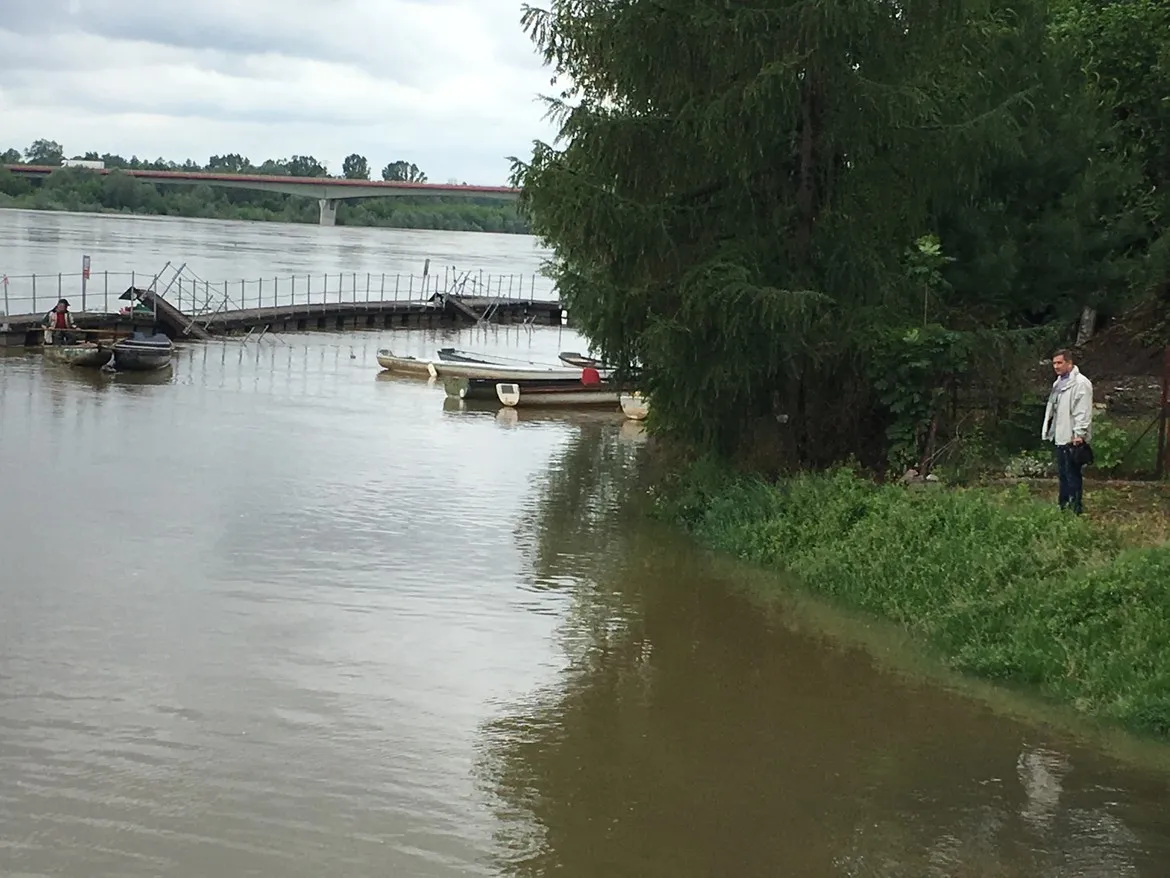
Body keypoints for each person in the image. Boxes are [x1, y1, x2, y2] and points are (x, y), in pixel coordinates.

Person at [1040, 349, 1093, 514]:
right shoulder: (1059, 383)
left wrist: (1079, 434)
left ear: (1069, 363)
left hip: (1072, 438)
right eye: (1054, 363)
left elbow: (1082, 411)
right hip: (1061, 436)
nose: (1056, 366)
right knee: (1063, 476)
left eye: (1059, 363)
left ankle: (1075, 509)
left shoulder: (1080, 383)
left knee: (1072, 476)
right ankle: (1064, 508)